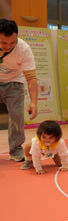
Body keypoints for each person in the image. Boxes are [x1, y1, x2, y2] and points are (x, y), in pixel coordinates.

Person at [0, 19, 38, 162]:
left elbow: (31, 78)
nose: (9, 46)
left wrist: (34, 102)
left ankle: (16, 149)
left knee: (17, 116)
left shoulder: (24, 48)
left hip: (14, 82)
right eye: (4, 43)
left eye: (12, 42)